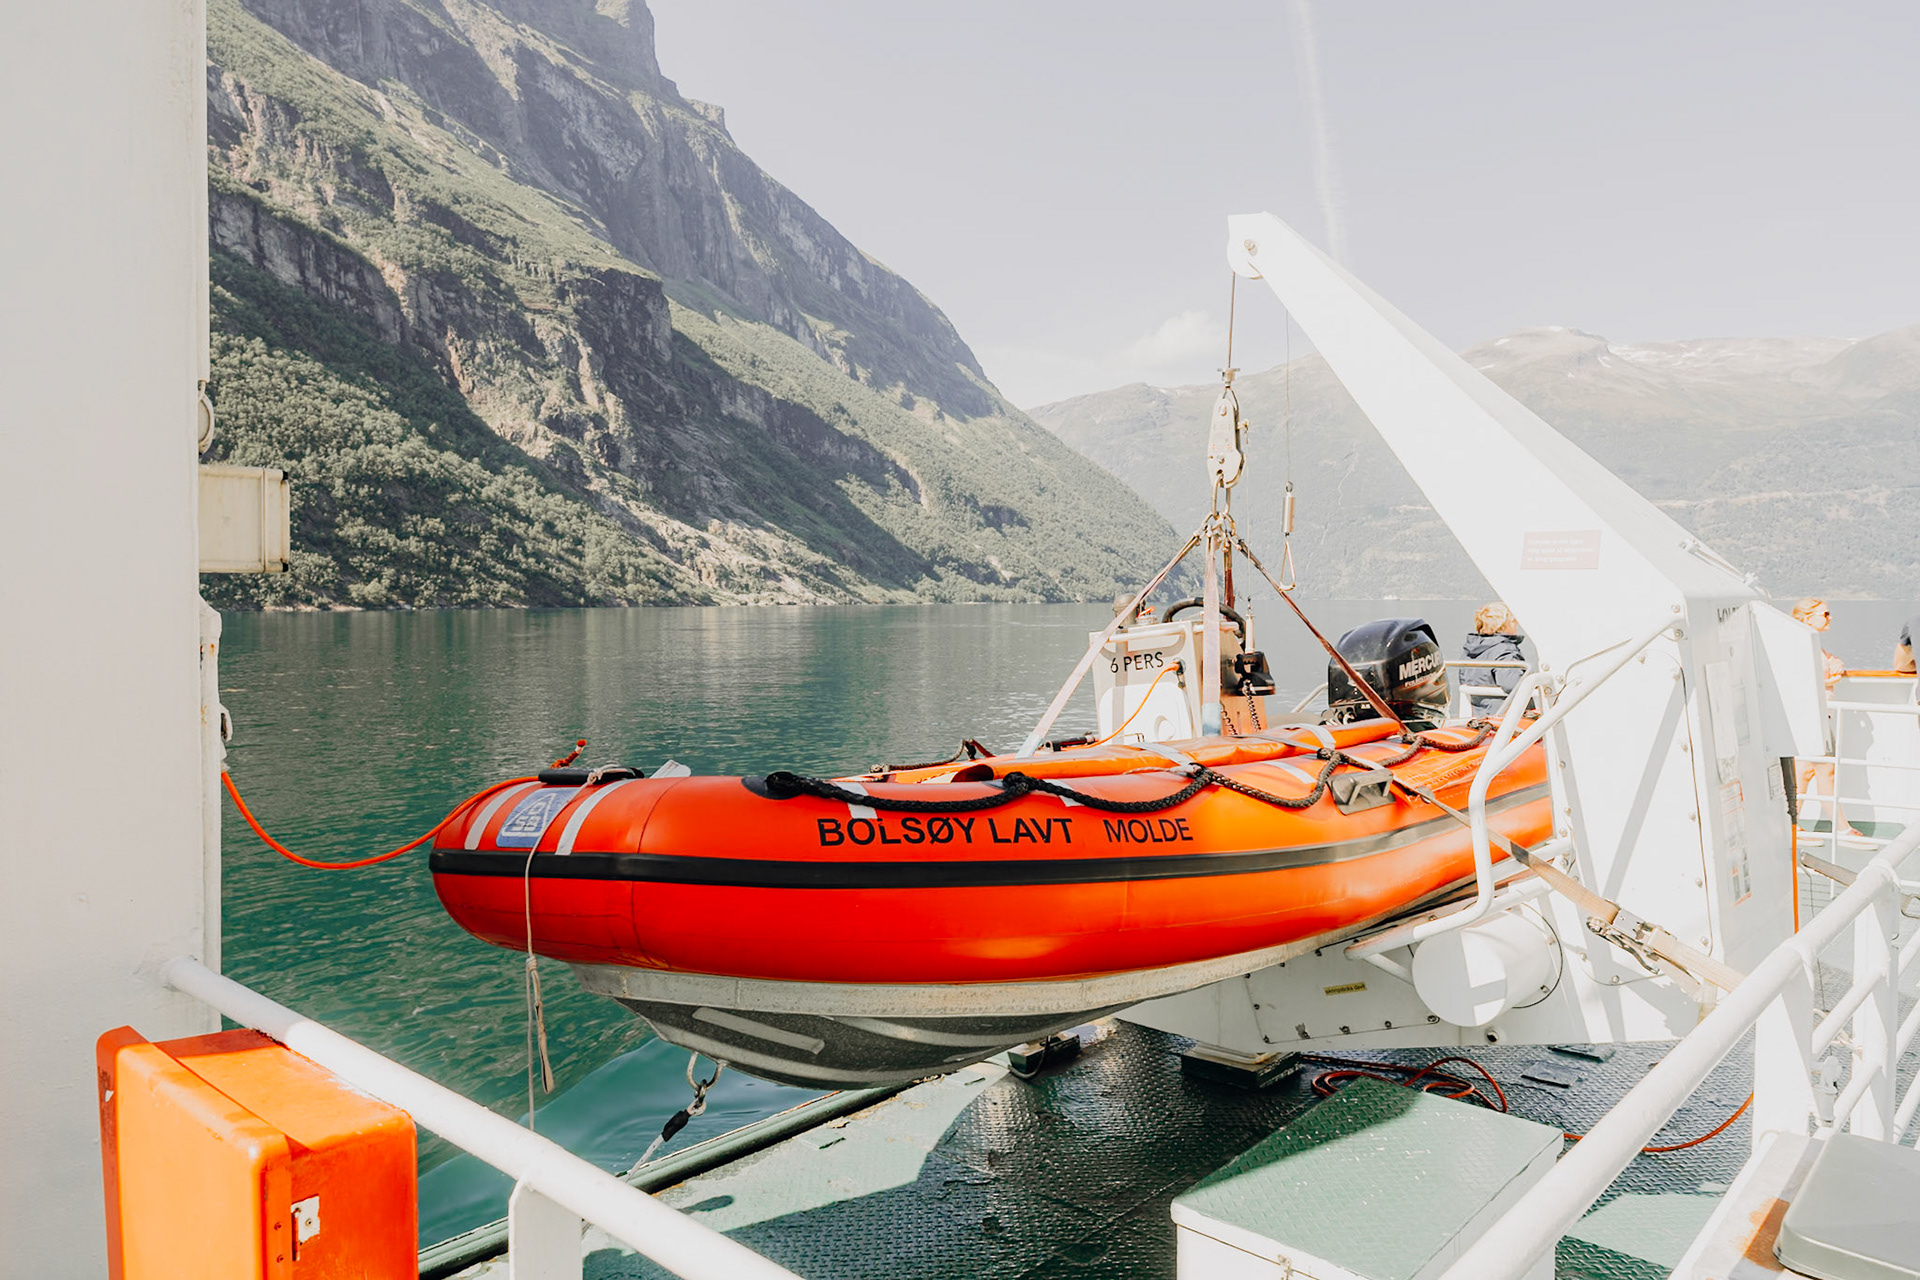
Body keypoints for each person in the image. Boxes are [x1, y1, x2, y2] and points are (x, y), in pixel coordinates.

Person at [1792, 597, 1858, 839]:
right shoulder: (1800, 644)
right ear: (1808, 618)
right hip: (1812, 718)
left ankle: (1792, 826)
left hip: (1817, 715)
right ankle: (1842, 828)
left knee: (1805, 772)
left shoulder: (1812, 642)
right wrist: (1829, 681)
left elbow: (1828, 661)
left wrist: (1836, 661)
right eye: (1826, 614)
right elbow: (1800, 681)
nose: (1830, 618)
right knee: (1824, 772)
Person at [1460, 603, 1525, 716]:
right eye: (1513, 621)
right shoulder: (1505, 650)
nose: (1516, 624)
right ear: (1503, 625)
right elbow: (1512, 684)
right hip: (1503, 719)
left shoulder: (1470, 650)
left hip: (1479, 715)